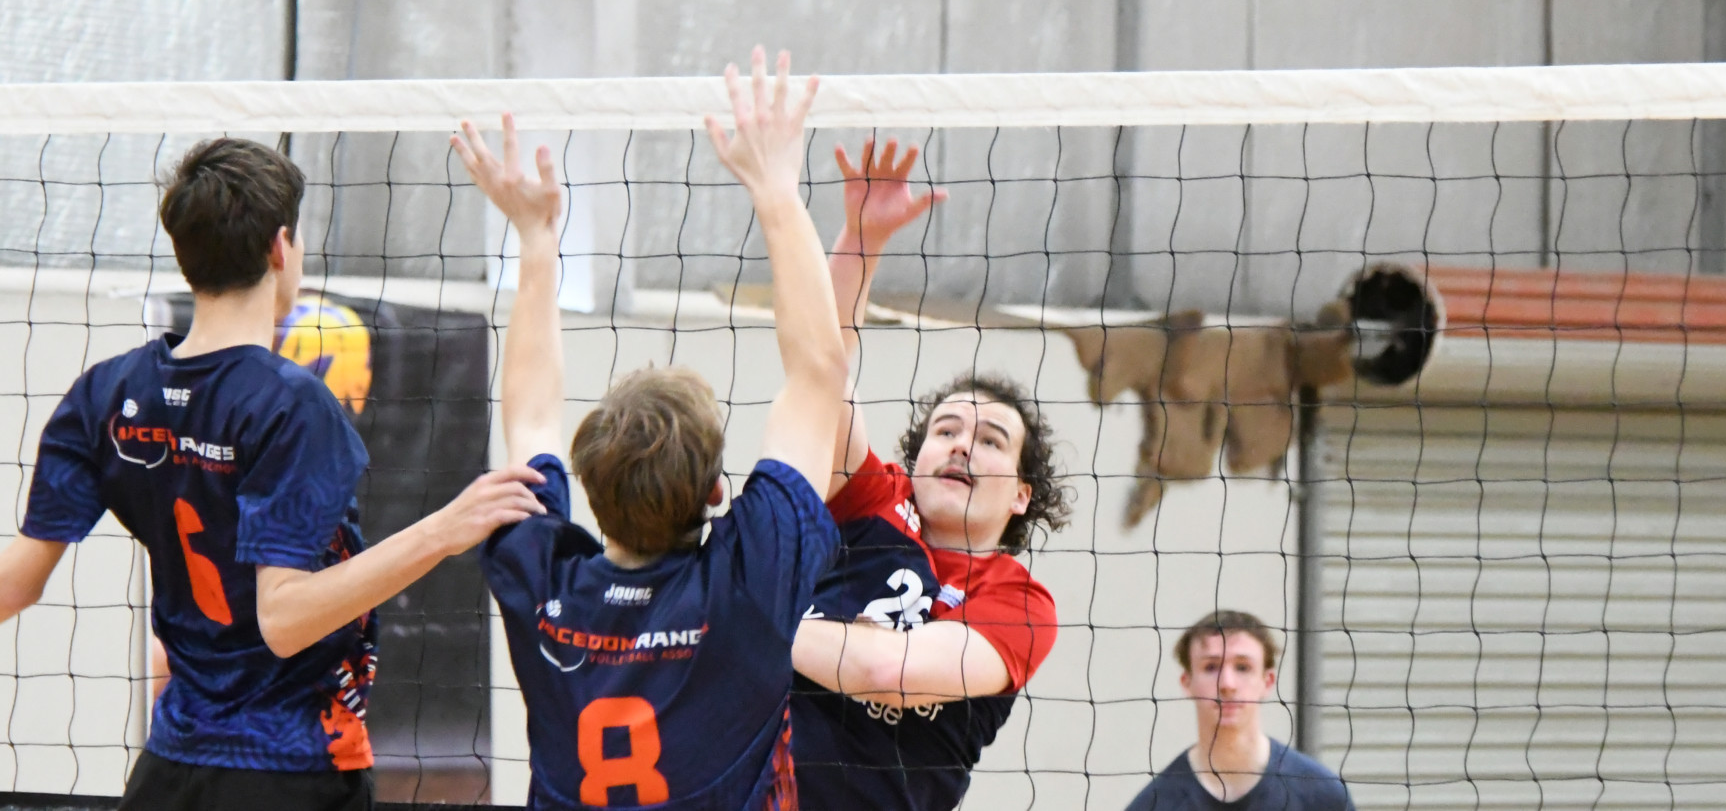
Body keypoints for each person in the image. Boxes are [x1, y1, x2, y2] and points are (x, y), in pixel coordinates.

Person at [0, 137, 546, 811]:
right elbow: (283, 618)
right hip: (291, 766)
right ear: (281, 248)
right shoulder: (292, 404)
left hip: (169, 770)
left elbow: (16, 583)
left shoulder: (105, 391)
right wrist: (443, 529)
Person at [458, 48, 844, 811]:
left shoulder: (544, 581)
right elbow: (820, 374)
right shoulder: (747, 584)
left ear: (590, 491)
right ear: (715, 491)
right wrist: (775, 189)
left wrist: (536, 241)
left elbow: (531, 413)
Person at [789, 137, 1072, 809]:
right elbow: (820, 371)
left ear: (1023, 495)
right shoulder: (873, 497)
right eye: (945, 430)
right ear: (915, 455)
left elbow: (888, 671)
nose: (962, 446)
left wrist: (740, 610)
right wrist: (860, 238)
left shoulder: (1021, 603)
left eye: (991, 439)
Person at [1125, 611, 1352, 811]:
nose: (1228, 683)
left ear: (1268, 681)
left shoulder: (1322, 795)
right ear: (1187, 682)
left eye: (1243, 667)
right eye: (1211, 667)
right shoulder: (1154, 804)